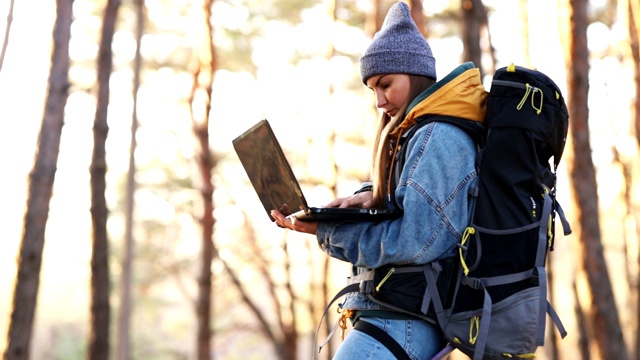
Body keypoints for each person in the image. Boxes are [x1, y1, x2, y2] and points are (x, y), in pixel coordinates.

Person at [271, 2, 487, 359]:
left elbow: (416, 239)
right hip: (394, 320)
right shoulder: (420, 133)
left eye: (386, 84)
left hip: (402, 323)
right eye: (373, 88)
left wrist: (327, 232)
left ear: (416, 76)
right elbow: (419, 203)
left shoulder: (439, 137)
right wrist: (370, 196)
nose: (379, 100)